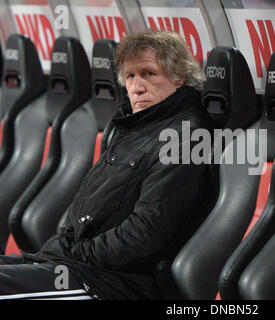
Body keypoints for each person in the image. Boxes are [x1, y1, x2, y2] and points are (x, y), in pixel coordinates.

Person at [0, 30, 212, 300]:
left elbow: (144, 234)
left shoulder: (185, 137)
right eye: (131, 76)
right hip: (76, 264)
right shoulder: (134, 126)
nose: (137, 87)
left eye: (149, 74)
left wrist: (75, 252)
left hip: (111, 283)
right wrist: (64, 251)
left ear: (178, 77)